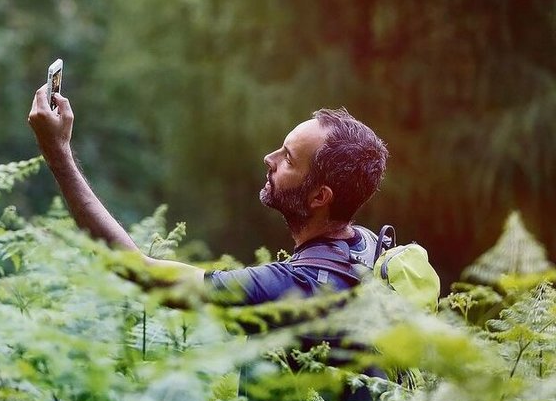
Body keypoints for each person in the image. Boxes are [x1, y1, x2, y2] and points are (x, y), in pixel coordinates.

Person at [26, 86, 389, 304]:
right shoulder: (369, 250)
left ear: (319, 197)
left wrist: (58, 155)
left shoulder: (292, 287)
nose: (270, 159)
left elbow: (142, 272)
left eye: (288, 159)